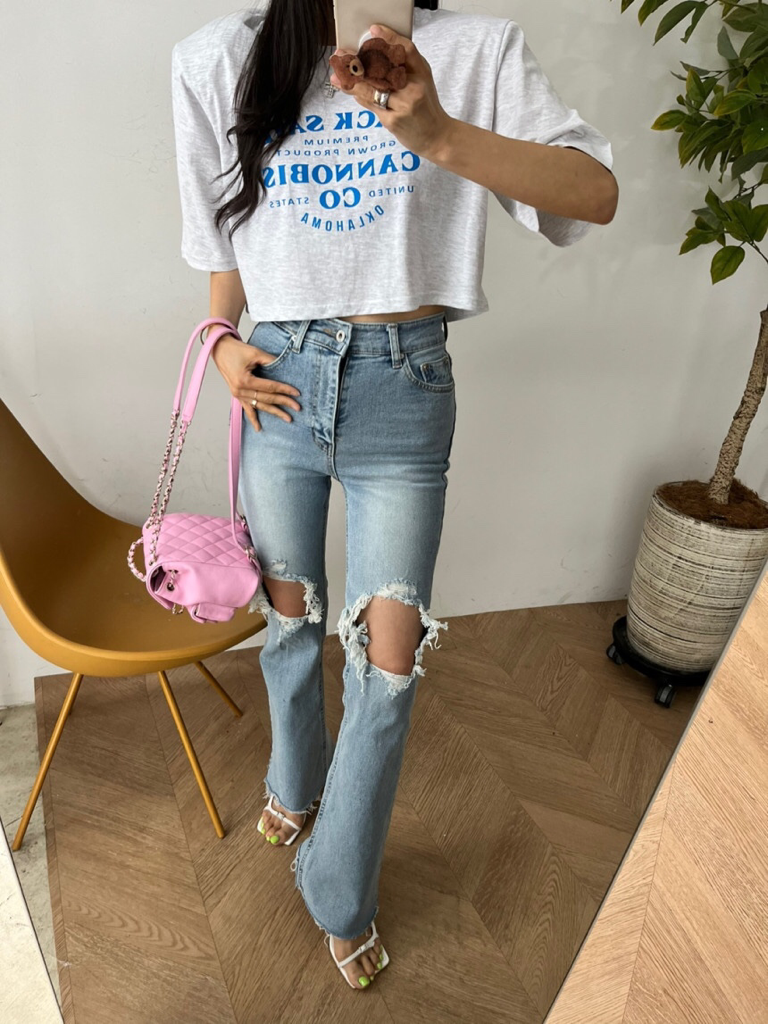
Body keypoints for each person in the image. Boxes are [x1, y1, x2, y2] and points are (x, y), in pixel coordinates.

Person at [171, 0, 618, 991]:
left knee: (390, 661)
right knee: (288, 617)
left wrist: (438, 133)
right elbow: (222, 234)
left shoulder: (474, 49)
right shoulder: (216, 57)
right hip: (278, 378)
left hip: (403, 387)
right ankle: (294, 780)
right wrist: (221, 340)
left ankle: (341, 888)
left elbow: (594, 194)